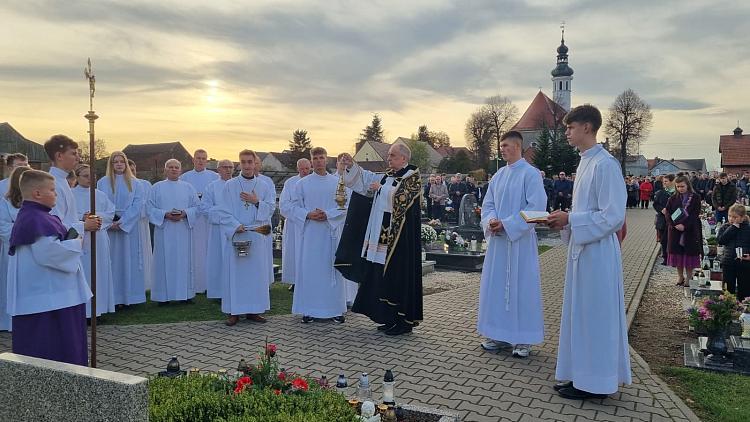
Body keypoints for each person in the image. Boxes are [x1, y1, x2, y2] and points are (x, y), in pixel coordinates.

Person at [547, 104, 631, 399]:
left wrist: (571, 219)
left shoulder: (606, 164)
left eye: (571, 128)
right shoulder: (585, 162)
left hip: (598, 253)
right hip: (582, 249)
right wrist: (564, 220)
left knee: (595, 315)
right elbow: (587, 210)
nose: (567, 133)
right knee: (580, 314)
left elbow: (613, 216)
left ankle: (597, 383)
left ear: (587, 127)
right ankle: (581, 375)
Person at [6, 170, 91, 365]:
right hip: (49, 299)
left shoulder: (36, 216)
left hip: (50, 296)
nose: (56, 194)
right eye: (52, 190)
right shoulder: (35, 218)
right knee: (54, 351)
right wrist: (76, 242)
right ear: (37, 193)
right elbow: (49, 253)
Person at [337, 144, 422, 336]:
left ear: (403, 158)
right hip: (381, 238)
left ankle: (403, 322)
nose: (388, 158)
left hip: (399, 242)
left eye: (392, 155)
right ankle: (388, 318)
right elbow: (366, 180)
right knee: (382, 277)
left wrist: (381, 189)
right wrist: (352, 165)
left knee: (397, 277)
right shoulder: (388, 175)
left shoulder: (412, 177)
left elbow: (402, 199)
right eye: (389, 155)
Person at [477, 131, 547, 358]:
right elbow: (488, 205)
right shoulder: (498, 176)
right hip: (499, 244)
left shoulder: (531, 174)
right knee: (497, 287)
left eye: (506, 145)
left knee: (522, 289)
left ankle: (524, 339)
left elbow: (537, 209)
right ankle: (498, 335)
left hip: (520, 244)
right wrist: (491, 221)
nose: (502, 149)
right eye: (501, 146)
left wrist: (507, 224)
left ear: (518, 146)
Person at [289, 147, 349, 323]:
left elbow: (345, 206)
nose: (318, 161)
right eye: (315, 158)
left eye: (321, 157)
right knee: (311, 270)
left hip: (331, 233)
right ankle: (309, 310)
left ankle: (335, 310)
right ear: (311, 161)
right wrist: (308, 214)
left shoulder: (338, 182)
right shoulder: (302, 184)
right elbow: (292, 207)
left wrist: (328, 215)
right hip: (311, 234)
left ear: (326, 159)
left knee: (331, 270)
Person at [219, 150, 273, 325]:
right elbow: (223, 210)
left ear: (255, 163)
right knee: (236, 275)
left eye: (250, 162)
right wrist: (235, 225)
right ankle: (234, 311)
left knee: (255, 274)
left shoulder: (263, 185)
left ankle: (254, 310)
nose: (247, 165)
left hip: (256, 235)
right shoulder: (230, 186)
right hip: (237, 234)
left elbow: (271, 209)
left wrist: (256, 202)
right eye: (243, 162)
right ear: (239, 164)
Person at [97, 152, 147, 307]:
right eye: (115, 162)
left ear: (126, 164)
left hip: (128, 228)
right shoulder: (103, 182)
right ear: (111, 164)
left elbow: (137, 205)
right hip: (109, 227)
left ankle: (130, 297)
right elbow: (100, 203)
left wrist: (123, 222)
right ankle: (113, 298)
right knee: (112, 261)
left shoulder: (135, 183)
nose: (119, 164)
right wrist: (109, 222)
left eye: (121, 161)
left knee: (129, 260)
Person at [148, 159, 199, 304]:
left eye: (177, 167)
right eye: (170, 167)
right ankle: (163, 297)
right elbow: (149, 208)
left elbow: (197, 207)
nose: (174, 169)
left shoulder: (188, 187)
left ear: (180, 170)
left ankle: (185, 295)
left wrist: (185, 213)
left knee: (184, 261)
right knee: (163, 261)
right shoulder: (157, 188)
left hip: (183, 230)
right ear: (165, 170)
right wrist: (165, 214)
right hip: (164, 230)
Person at [72, 165, 116, 319]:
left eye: (92, 175)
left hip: (99, 237)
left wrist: (96, 217)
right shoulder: (71, 194)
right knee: (84, 272)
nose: (90, 178)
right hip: (82, 238)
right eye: (85, 176)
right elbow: (67, 216)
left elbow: (110, 213)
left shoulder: (100, 195)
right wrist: (82, 218)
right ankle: (83, 311)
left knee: (99, 272)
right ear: (77, 177)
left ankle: (99, 309)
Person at [180, 149, 219, 294]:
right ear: (193, 160)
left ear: (207, 160)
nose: (201, 161)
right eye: (198, 158)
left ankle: (210, 283)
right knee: (193, 251)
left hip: (208, 220)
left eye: (203, 158)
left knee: (209, 250)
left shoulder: (215, 177)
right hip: (193, 221)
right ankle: (193, 283)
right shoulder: (184, 178)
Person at [44, 135, 101, 235]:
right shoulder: (53, 185)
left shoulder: (62, 181)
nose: (78, 158)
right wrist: (84, 226)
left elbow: (68, 219)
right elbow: (54, 225)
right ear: (59, 156)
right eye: (74, 154)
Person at [0, 166, 31, 331]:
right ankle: (9, 322)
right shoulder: (5, 202)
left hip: (32, 249)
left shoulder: (34, 199)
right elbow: (3, 227)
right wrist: (23, 230)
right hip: (12, 249)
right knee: (11, 286)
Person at [202, 159, 234, 299]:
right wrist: (223, 213)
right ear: (218, 170)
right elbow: (205, 208)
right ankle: (219, 292)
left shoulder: (238, 185)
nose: (228, 169)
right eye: (224, 167)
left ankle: (235, 291)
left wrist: (223, 211)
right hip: (218, 230)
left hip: (236, 229)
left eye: (230, 167)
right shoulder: (211, 187)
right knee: (218, 261)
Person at [279, 158, 312, 290]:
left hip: (311, 224)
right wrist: (300, 214)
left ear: (310, 168)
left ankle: (309, 278)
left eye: (307, 168)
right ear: (297, 169)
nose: (304, 171)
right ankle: (294, 280)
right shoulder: (290, 183)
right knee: (294, 252)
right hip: (294, 224)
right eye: (302, 169)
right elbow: (283, 205)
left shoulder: (314, 182)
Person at [665, 175, 702, 286]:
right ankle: (680, 276)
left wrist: (685, 225)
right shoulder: (672, 198)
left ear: (688, 185)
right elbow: (668, 213)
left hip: (690, 230)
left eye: (682, 186)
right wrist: (674, 225)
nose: (680, 189)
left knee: (689, 255)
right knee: (678, 255)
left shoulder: (695, 197)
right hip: (675, 231)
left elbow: (695, 214)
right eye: (678, 187)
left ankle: (689, 277)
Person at [127, 159, 153, 292]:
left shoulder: (145, 184)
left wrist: (138, 212)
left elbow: (149, 203)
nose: (131, 173)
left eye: (133, 170)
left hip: (141, 223)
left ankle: (146, 282)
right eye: (129, 170)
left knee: (143, 252)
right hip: (125, 224)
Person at [717, 204, 750, 300]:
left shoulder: (748, 228)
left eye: (735, 217)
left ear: (742, 217)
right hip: (728, 261)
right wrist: (733, 228)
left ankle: (744, 307)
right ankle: (728, 306)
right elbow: (721, 240)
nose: (731, 219)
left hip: (744, 263)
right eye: (730, 216)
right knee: (727, 289)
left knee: (744, 289)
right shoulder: (725, 227)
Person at [653, 174, 675, 265]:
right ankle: (666, 258)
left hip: (673, 220)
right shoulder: (660, 193)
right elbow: (655, 204)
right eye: (663, 182)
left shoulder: (676, 193)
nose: (664, 183)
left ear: (672, 182)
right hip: (662, 220)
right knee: (663, 240)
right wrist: (661, 209)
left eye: (666, 181)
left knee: (673, 240)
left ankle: (673, 258)